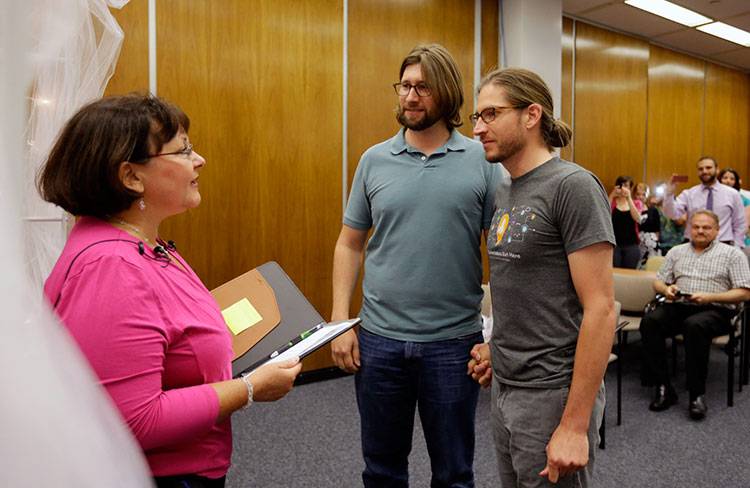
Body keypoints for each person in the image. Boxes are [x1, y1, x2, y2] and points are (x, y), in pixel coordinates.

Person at [39, 94, 302, 488]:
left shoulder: (143, 244)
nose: (200, 161)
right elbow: (135, 420)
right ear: (131, 177)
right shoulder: (112, 268)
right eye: (184, 151)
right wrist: (249, 388)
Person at [330, 44, 500, 487]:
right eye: (404, 86)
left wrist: (495, 332)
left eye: (422, 87)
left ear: (446, 93)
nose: (410, 96)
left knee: (454, 472)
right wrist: (339, 322)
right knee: (382, 471)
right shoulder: (373, 160)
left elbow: (503, 256)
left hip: (453, 342)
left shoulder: (483, 162)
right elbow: (349, 244)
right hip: (379, 341)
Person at [468, 68, 615, 487]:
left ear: (531, 115)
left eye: (491, 114)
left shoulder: (573, 186)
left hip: (553, 394)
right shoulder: (506, 190)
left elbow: (601, 310)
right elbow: (524, 289)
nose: (479, 128)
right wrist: (498, 349)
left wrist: (573, 424)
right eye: (477, 117)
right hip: (506, 387)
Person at [640, 210, 750, 420]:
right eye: (696, 227)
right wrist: (666, 290)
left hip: (717, 309)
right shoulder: (676, 251)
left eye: (706, 227)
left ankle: (696, 394)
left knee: (695, 325)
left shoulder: (733, 254)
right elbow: (659, 280)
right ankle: (664, 387)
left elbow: (745, 292)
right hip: (681, 304)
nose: (700, 231)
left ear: (717, 230)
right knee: (650, 321)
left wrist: (710, 297)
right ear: (690, 229)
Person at [663, 156, 746, 247]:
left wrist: (737, 247)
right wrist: (669, 193)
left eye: (708, 168)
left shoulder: (732, 194)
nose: (705, 171)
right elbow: (671, 214)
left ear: (717, 170)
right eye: (700, 169)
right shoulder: (689, 194)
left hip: (723, 244)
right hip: (693, 244)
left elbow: (740, 223)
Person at [609, 175, 644, 268]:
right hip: (614, 244)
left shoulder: (636, 203)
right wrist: (612, 195)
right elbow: (604, 214)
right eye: (621, 186)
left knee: (630, 273)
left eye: (627, 186)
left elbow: (638, 218)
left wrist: (628, 198)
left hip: (631, 244)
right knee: (615, 272)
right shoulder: (612, 202)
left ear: (631, 188)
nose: (624, 189)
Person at [718, 167, 750, 248]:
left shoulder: (744, 200)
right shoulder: (714, 197)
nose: (728, 181)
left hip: (739, 239)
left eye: (732, 179)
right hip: (718, 236)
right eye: (725, 178)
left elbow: (745, 225)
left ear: (736, 182)